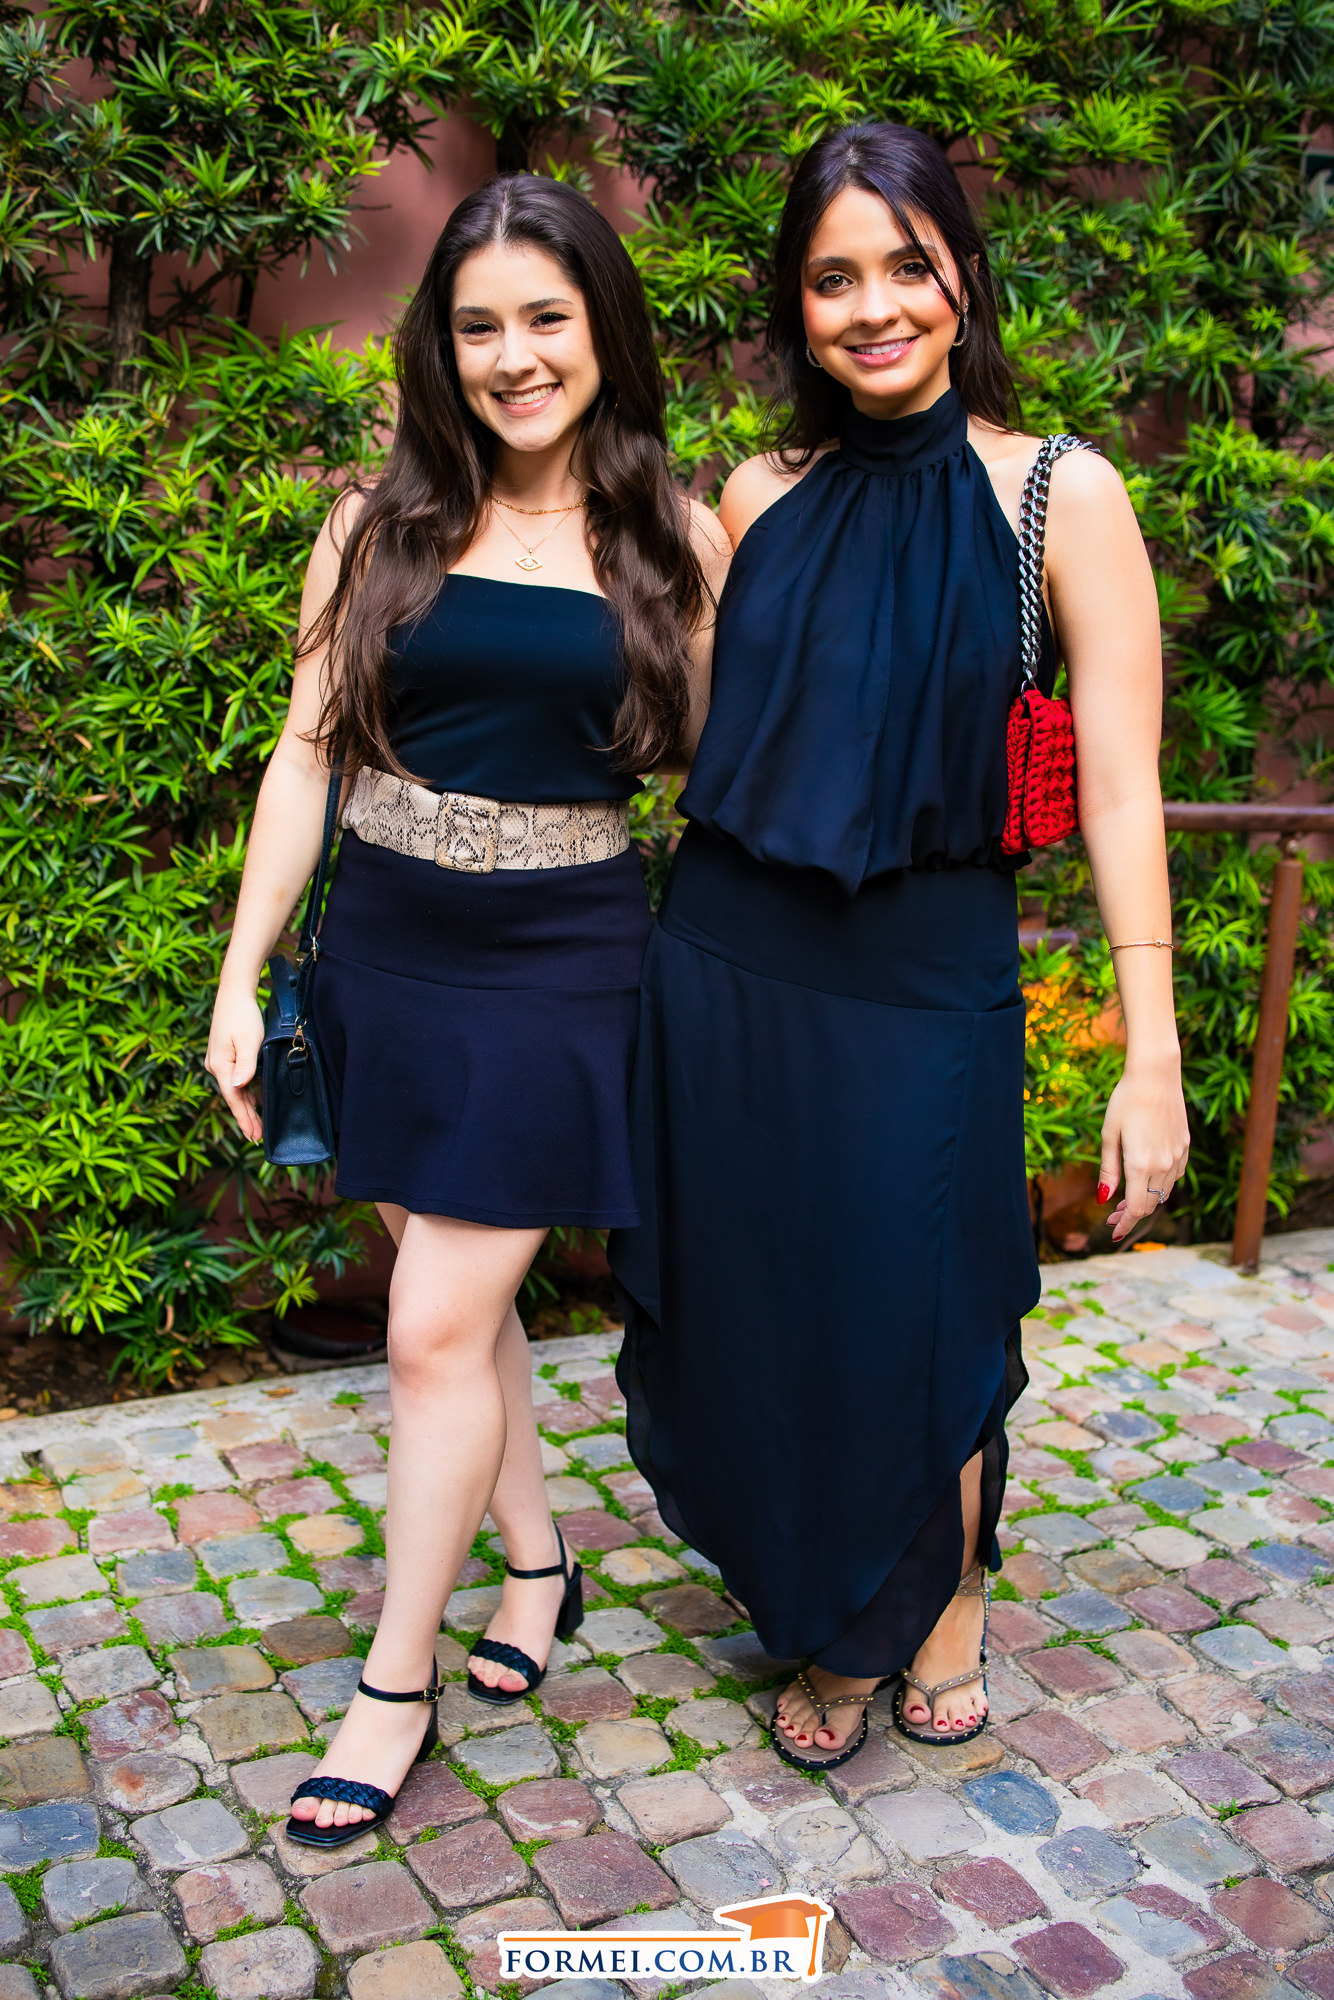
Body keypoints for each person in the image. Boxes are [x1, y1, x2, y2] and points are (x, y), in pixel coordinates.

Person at [609, 122, 1189, 1770]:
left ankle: (943, 1594)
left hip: (928, 972)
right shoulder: (757, 497)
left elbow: (1118, 785)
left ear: (961, 278)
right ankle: (818, 1596)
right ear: (796, 310)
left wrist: (1149, 1054)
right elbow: (719, 739)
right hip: (730, 962)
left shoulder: (1058, 493)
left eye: (904, 269)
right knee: (768, 1298)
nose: (872, 308)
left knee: (927, 1303)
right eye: (831, 279)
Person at [206, 174, 727, 1841]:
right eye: (479, 323)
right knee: (463, 1292)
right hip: (386, 947)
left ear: (604, 330)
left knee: (429, 1327)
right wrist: (244, 969)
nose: (514, 356)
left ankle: (391, 1687)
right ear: (441, 344)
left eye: (546, 318)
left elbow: (735, 780)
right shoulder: (375, 525)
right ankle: (538, 1563)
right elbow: (305, 754)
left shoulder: (674, 539)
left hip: (561, 968)